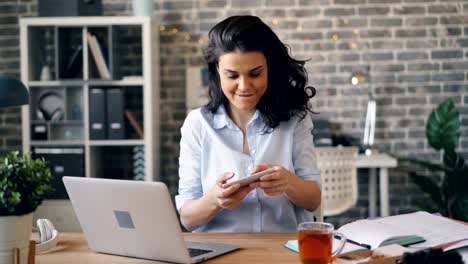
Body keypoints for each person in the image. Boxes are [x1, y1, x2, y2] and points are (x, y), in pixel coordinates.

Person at [175, 15, 321, 232]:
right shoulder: (197, 125)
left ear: (268, 66)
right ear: (217, 70)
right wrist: (215, 200)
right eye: (232, 75)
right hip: (217, 250)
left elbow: (313, 200)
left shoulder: (294, 119)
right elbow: (187, 219)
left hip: (279, 249)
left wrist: (288, 182)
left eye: (255, 73)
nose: (244, 86)